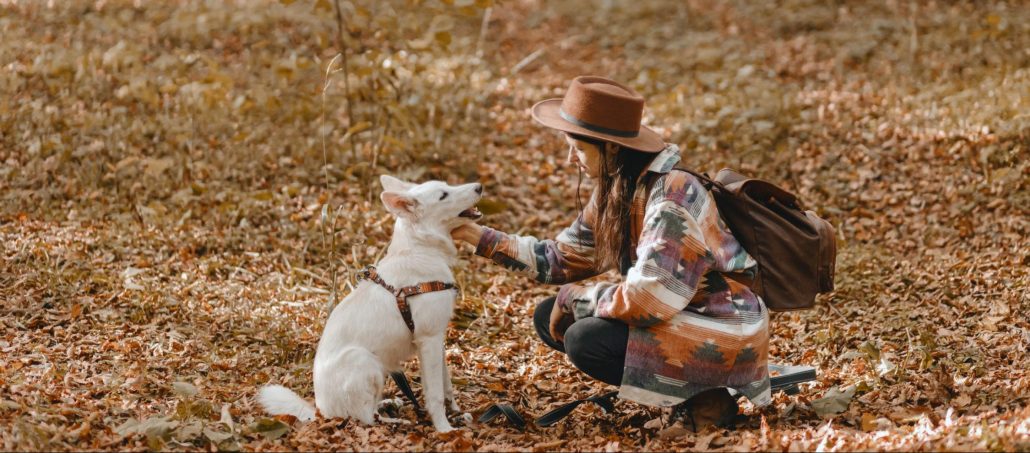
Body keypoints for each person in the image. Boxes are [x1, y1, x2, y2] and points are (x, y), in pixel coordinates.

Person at [451, 76, 770, 428]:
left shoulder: (671, 196)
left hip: (723, 328)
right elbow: (559, 259)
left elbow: (648, 299)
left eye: (579, 148)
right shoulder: (617, 188)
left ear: (612, 148)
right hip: (684, 315)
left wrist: (577, 298)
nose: (571, 158)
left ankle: (708, 403)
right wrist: (475, 235)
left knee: (585, 337)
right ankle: (685, 392)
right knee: (550, 317)